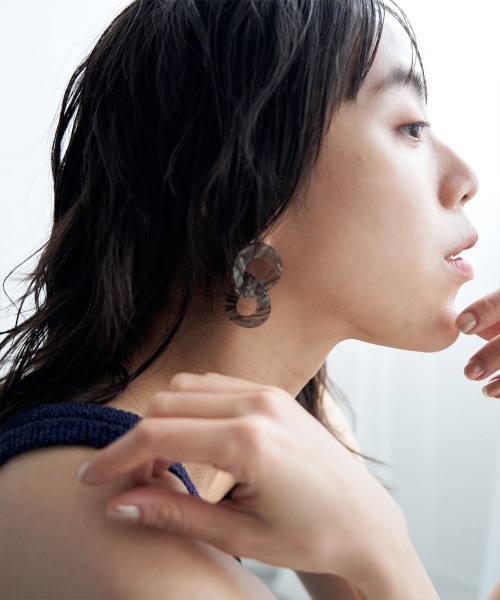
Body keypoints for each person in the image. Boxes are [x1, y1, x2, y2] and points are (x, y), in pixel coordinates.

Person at [0, 0, 498, 598]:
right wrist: (384, 553)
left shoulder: (279, 419)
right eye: (410, 127)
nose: (466, 178)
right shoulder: (106, 512)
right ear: (247, 197)